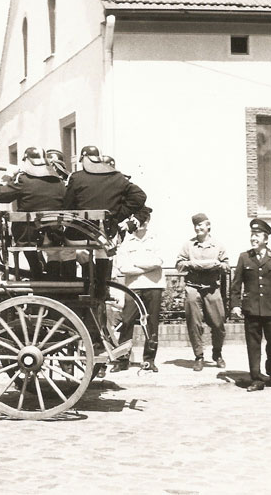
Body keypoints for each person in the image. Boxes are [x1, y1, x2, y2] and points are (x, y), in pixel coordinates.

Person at [63, 145, 147, 294]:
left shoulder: (76, 177)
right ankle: (101, 286)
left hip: (78, 236)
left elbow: (67, 206)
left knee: (67, 249)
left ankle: (78, 283)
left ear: (83, 159)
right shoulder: (118, 177)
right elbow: (140, 196)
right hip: (105, 234)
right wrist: (116, 215)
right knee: (103, 250)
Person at [229, 219, 271, 392]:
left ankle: (270, 369)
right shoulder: (244, 257)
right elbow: (236, 284)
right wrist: (235, 305)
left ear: (266, 239)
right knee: (253, 344)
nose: (253, 238)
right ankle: (256, 377)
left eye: (256, 235)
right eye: (252, 235)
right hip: (252, 309)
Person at [0, 146, 68, 279]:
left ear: (27, 161)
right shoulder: (59, 181)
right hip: (54, 233)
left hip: (28, 235)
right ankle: (53, 279)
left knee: (27, 242)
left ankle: (36, 270)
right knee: (53, 251)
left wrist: (7, 176)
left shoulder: (23, 180)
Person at [176, 213, 229, 372]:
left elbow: (227, 266)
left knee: (218, 323)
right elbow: (178, 265)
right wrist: (193, 264)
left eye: (201, 225)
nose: (198, 228)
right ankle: (198, 356)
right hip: (193, 287)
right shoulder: (188, 245)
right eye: (196, 226)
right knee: (194, 324)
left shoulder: (218, 245)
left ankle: (217, 354)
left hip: (212, 287)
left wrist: (218, 265)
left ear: (208, 226)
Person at [112, 207, 162, 372]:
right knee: (126, 322)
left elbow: (158, 261)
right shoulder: (126, 240)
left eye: (144, 220)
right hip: (133, 288)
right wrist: (146, 268)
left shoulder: (156, 238)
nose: (141, 224)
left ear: (148, 221)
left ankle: (149, 361)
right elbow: (122, 267)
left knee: (151, 324)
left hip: (153, 286)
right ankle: (122, 360)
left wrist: (136, 265)